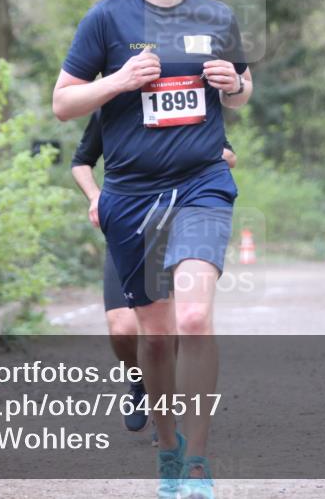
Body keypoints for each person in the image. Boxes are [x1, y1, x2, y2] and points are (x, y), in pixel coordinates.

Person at [54, 0, 252, 499]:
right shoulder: (106, 20)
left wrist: (235, 85)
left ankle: (198, 461)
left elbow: (242, 89)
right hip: (133, 197)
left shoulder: (217, 16)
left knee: (193, 318)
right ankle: (168, 448)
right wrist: (119, 81)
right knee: (157, 337)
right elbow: (63, 102)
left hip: (201, 184)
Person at [69, 110, 241, 437]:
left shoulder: (181, 99)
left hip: (176, 223)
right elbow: (81, 161)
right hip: (129, 221)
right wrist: (96, 197)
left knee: (168, 326)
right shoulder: (112, 103)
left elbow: (228, 154)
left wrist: (189, 159)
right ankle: (139, 381)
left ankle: (167, 413)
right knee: (122, 328)